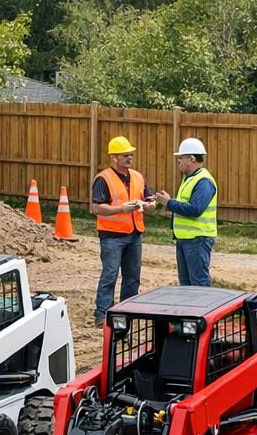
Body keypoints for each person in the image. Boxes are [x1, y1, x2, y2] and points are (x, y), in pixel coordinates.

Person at [90, 136, 157, 324]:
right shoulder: (103, 179)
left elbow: (149, 199)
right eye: (125, 155)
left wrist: (149, 205)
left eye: (131, 155)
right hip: (112, 236)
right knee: (110, 275)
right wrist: (122, 208)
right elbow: (96, 208)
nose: (130, 158)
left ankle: (127, 311)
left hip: (134, 234)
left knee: (132, 276)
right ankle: (103, 314)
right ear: (114, 158)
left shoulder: (137, 176)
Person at [155, 138, 217, 287]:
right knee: (187, 285)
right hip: (187, 239)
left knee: (198, 284)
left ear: (191, 159)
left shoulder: (204, 181)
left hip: (197, 239)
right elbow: (186, 204)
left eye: (181, 158)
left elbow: (195, 209)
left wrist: (169, 202)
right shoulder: (190, 179)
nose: (179, 162)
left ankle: (202, 310)